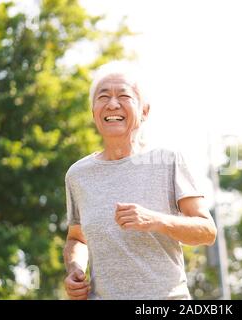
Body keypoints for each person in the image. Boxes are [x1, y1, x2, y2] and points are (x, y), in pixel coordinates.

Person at [62, 61, 217, 300]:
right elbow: (76, 238)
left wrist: (155, 220)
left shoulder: (168, 160)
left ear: (144, 111)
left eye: (124, 95)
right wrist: (75, 268)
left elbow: (206, 232)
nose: (112, 104)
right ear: (94, 112)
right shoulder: (77, 175)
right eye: (103, 97)